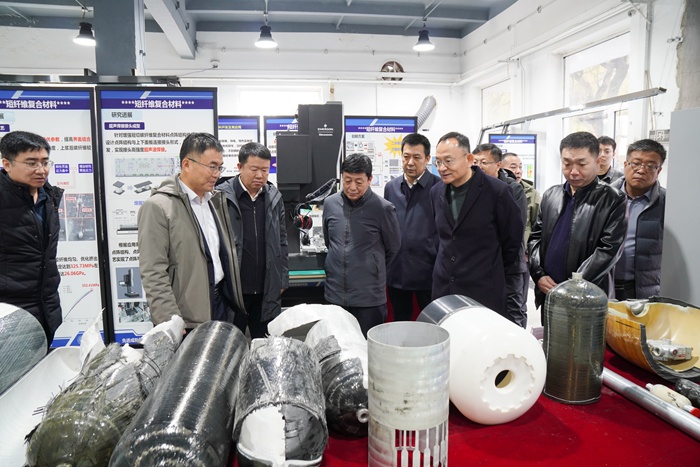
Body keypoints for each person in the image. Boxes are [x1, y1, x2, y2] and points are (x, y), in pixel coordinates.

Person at [138, 133, 245, 330]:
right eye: (211, 166)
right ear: (187, 164)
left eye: (219, 167)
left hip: (220, 305)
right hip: (186, 316)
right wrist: (170, 322)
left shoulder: (215, 201)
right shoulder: (159, 207)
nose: (217, 174)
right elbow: (153, 272)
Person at [529, 131, 627, 313]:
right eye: (567, 163)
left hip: (588, 296)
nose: (573, 171)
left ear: (597, 161)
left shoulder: (612, 199)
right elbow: (535, 238)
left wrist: (573, 286)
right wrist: (538, 274)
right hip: (549, 292)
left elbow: (609, 249)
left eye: (582, 164)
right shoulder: (551, 195)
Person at [430, 132, 523, 318]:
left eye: (448, 161)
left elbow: (512, 242)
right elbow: (440, 238)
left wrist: (489, 270)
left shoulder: (497, 191)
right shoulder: (436, 192)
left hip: (483, 290)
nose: (442, 168)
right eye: (438, 162)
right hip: (444, 288)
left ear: (469, 159)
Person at [323, 153, 401, 336]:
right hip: (335, 295)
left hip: (369, 299)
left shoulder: (383, 208)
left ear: (369, 179)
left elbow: (393, 248)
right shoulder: (330, 204)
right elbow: (329, 241)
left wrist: (372, 267)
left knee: (367, 348)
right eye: (347, 180)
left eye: (359, 182)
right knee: (337, 347)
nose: (352, 187)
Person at [219, 142, 288, 338]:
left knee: (264, 346)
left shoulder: (274, 197)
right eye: (254, 169)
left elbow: (282, 240)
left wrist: (282, 279)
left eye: (265, 170)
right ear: (240, 167)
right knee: (230, 345)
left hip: (266, 291)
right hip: (233, 292)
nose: (260, 175)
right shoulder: (221, 197)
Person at [0, 131, 64, 344]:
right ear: (7, 164)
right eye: (31, 163)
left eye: (45, 162)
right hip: (8, 313)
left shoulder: (49, 197)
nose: (41, 170)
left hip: (45, 309)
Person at [383, 133, 440, 320]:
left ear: (427, 158)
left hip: (428, 272)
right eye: (406, 156)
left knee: (433, 323)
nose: (410, 162)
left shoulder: (439, 188)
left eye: (416, 157)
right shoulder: (391, 187)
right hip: (397, 271)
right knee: (400, 322)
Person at [473, 143, 528, 327]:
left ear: (498, 165)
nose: (478, 166)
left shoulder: (513, 189)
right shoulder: (473, 188)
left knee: (512, 313)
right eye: (475, 162)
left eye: (484, 162)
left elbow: (514, 232)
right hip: (483, 266)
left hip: (509, 266)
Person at [610, 139, 667, 300]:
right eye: (636, 164)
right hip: (605, 284)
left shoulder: (667, 203)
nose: (641, 170)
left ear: (658, 170)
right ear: (625, 165)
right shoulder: (605, 197)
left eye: (650, 166)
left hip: (643, 290)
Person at [502, 152, 541, 244]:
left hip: (524, 249)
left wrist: (531, 249)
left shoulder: (532, 193)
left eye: (520, 167)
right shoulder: (495, 190)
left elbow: (538, 227)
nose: (518, 171)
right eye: (513, 167)